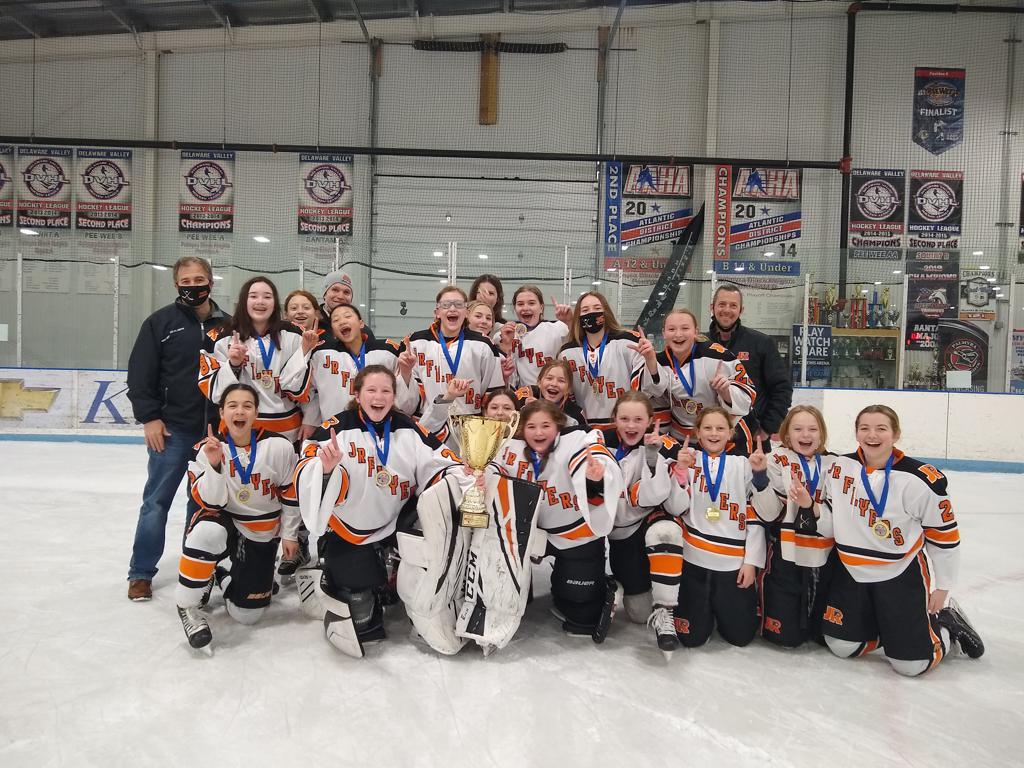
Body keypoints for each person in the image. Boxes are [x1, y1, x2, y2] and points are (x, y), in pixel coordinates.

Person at [291, 365, 465, 658]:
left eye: (386, 390)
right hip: (352, 527)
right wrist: (325, 470)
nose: (379, 396)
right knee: (362, 616)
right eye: (371, 390)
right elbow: (307, 464)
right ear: (357, 394)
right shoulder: (336, 428)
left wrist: (464, 474)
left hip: (397, 521)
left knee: (429, 550)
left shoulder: (407, 427)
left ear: (394, 396)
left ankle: (394, 575)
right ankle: (336, 570)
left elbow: (441, 461)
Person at [818, 405, 984, 676]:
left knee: (912, 666)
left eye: (881, 428)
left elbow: (944, 537)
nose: (872, 435)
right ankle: (888, 628)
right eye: (865, 428)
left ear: (896, 434)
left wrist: (943, 587)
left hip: (898, 573)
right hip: (850, 572)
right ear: (856, 433)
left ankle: (946, 625)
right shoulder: (839, 467)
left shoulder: (920, 478)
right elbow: (830, 516)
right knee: (842, 646)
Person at [126, 255, 227, 601]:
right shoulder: (160, 323)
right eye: (185, 281)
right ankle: (140, 573)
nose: (192, 286)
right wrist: (150, 417)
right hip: (171, 430)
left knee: (202, 506)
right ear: (176, 285)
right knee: (156, 503)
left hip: (213, 434)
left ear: (211, 282)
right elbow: (140, 374)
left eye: (199, 280)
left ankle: (194, 570)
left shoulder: (227, 325)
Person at [175, 383, 299, 650]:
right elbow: (211, 501)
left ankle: (221, 573)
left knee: (247, 616)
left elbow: (291, 496)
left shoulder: (279, 447)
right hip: (226, 521)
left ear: (256, 413)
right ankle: (188, 607)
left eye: (247, 406)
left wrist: (289, 534)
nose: (239, 411)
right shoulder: (206, 448)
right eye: (232, 406)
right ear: (221, 413)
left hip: (261, 532)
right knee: (207, 532)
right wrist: (215, 463)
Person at [497, 400, 623, 641]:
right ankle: (536, 583)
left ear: (558, 426)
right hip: (530, 534)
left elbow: (592, 458)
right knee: (506, 596)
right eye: (532, 426)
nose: (539, 432)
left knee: (581, 615)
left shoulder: (575, 440)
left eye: (546, 425)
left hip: (574, 534)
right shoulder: (509, 446)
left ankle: (597, 585)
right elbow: (493, 470)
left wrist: (595, 477)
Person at [601, 392, 691, 658]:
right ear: (614, 418)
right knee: (639, 614)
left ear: (651, 421)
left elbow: (675, 505)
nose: (631, 426)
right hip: (617, 535)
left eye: (638, 419)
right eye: (625, 418)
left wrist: (656, 463)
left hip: (643, 527)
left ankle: (665, 609)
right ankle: (610, 582)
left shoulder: (664, 446)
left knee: (667, 531)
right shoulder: (598, 443)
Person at [673, 406, 768, 649]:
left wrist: (751, 562)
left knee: (741, 636)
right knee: (690, 638)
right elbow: (675, 507)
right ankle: (704, 609)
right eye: (707, 428)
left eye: (720, 428)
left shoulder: (743, 464)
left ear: (730, 433)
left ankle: (719, 607)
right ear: (697, 432)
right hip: (694, 561)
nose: (713, 433)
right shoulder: (688, 460)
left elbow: (758, 513)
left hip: (733, 565)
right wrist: (680, 472)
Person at [749, 405, 838, 648]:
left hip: (825, 559)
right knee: (784, 638)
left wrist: (811, 506)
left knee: (825, 637)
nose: (805, 435)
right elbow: (768, 514)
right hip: (785, 558)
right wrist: (760, 477)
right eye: (798, 429)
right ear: (787, 434)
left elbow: (841, 518)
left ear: (822, 435)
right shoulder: (774, 460)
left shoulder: (835, 465)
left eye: (812, 429)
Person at [198, 276, 318, 442]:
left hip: (286, 431)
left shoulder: (295, 335)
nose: (260, 302)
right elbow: (214, 391)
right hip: (238, 429)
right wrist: (234, 365)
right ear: (243, 301)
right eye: (253, 296)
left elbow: (309, 387)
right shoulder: (219, 336)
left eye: (267, 297)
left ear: (275, 303)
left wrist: (311, 418)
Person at [398, 285, 504, 445]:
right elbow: (406, 405)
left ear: (467, 312)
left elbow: (491, 394)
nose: (452, 309)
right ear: (437, 312)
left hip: (470, 430)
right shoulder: (415, 343)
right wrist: (405, 372)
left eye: (459, 305)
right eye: (446, 305)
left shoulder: (483, 345)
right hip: (428, 427)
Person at [636, 308, 755, 444]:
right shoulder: (658, 361)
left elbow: (747, 398)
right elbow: (652, 396)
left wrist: (726, 392)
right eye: (671, 329)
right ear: (664, 333)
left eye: (685, 328)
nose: (678, 334)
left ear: (696, 332)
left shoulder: (719, 356)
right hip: (681, 438)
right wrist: (651, 361)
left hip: (721, 437)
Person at [706, 285, 792, 453]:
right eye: (722, 304)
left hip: (750, 437)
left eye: (733, 305)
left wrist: (767, 428)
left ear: (741, 310)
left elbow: (782, 389)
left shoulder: (761, 343)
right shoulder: (700, 343)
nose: (727, 310)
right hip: (710, 436)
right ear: (712, 307)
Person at [558, 291, 645, 433]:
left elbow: (654, 389)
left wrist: (651, 359)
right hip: (585, 432)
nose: (591, 313)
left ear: (606, 312)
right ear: (578, 318)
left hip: (624, 429)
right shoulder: (566, 353)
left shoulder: (628, 342)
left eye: (597, 308)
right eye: (585, 310)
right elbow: (566, 396)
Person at [496, 286, 574, 387]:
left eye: (531, 303)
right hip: (525, 397)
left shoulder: (557, 328)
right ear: (515, 308)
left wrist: (570, 321)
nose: (525, 308)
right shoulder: (504, 334)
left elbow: (580, 336)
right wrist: (505, 344)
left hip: (554, 393)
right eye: (520, 304)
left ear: (541, 307)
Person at [513, 359, 589, 429]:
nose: (554, 384)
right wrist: (523, 413)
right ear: (539, 382)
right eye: (549, 378)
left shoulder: (576, 415)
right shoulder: (525, 396)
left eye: (561, 381)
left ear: (568, 388)